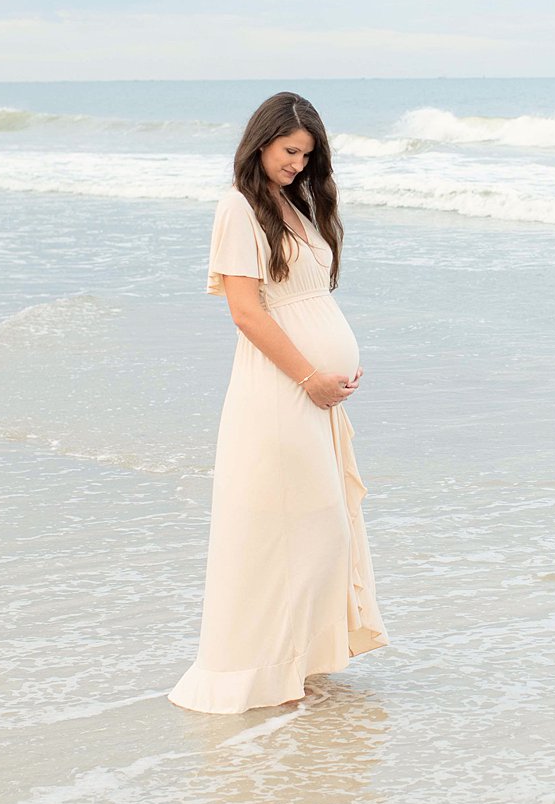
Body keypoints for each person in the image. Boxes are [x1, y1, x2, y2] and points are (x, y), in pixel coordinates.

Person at [167, 93, 390, 713]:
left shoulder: (292, 207)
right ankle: (262, 672)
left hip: (315, 392)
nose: (298, 164)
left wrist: (335, 365)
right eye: (290, 151)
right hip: (281, 390)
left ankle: (300, 662)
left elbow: (309, 300)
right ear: (261, 141)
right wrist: (311, 376)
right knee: (294, 531)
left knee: (323, 531)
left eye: (307, 155)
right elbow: (246, 312)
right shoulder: (237, 207)